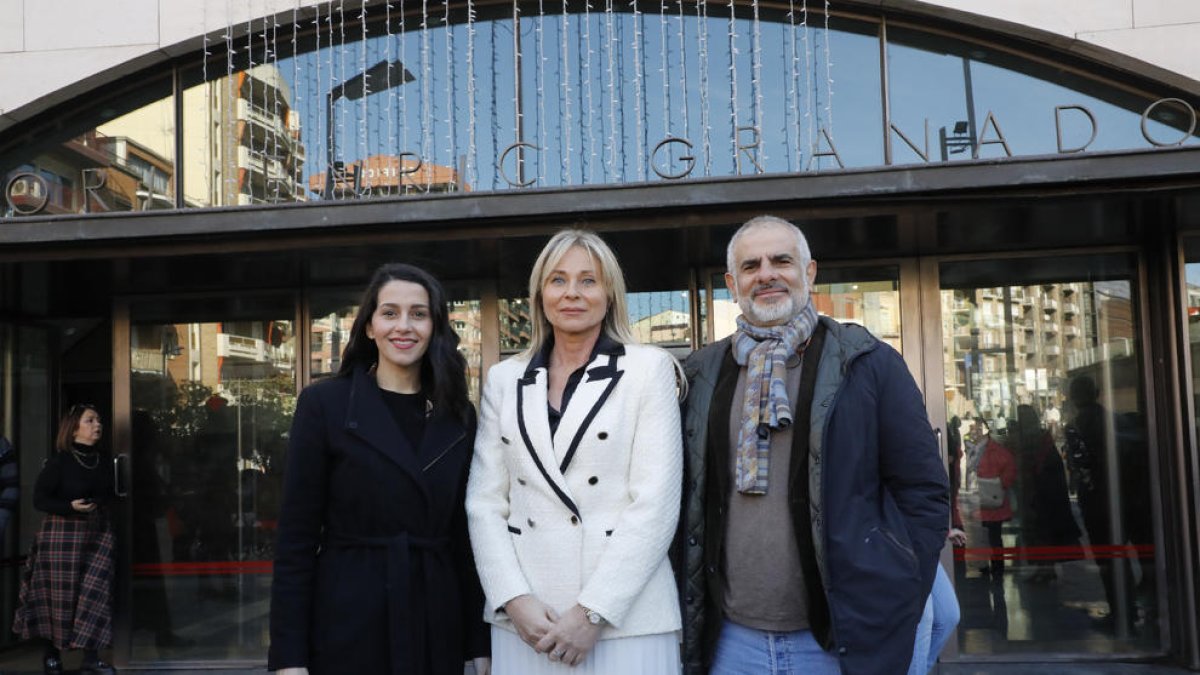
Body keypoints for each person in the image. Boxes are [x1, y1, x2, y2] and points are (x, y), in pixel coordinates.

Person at [679, 215, 949, 675]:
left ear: (809, 272)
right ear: (732, 283)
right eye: (751, 266)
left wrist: (896, 585)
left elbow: (923, 492)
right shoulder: (701, 372)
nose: (766, 274)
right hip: (730, 643)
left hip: (836, 641)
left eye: (781, 261)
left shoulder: (868, 363)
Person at [467, 229, 683, 674]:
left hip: (626, 618)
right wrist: (513, 599)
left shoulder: (648, 369)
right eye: (558, 280)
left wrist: (593, 612)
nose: (572, 294)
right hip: (530, 624)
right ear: (540, 293)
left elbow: (655, 504)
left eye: (589, 281)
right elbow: (484, 502)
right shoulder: (505, 379)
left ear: (609, 294)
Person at [268, 263, 490, 675]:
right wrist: (289, 658)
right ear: (369, 326)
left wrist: (478, 642)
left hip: (436, 617)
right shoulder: (324, 406)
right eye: (390, 313)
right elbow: (296, 541)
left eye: (418, 314)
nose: (403, 326)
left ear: (435, 326)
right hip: (349, 616)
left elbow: (466, 539)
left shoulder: (458, 416)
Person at [13, 404, 117, 675]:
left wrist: (98, 503)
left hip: (97, 534)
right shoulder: (59, 461)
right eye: (90, 420)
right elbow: (40, 499)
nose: (98, 425)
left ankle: (91, 657)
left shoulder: (104, 459)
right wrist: (70, 506)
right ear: (73, 429)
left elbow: (111, 494)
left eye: (99, 420)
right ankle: (51, 654)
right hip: (62, 536)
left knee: (94, 593)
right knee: (58, 597)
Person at [1012, 404, 1079, 583]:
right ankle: (1043, 567)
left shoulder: (1035, 438)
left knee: (1042, 532)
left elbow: (1035, 464)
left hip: (1041, 493)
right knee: (1038, 532)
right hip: (1040, 492)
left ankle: (1046, 568)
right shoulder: (1038, 437)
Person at [975, 421, 1017, 582]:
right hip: (983, 503)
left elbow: (1010, 470)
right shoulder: (972, 450)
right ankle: (985, 566)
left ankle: (996, 567)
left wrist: (999, 486)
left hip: (993, 505)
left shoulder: (997, 451)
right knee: (983, 537)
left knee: (993, 537)